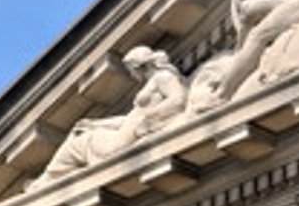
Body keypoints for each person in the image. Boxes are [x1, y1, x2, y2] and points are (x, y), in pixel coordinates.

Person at [26, 47, 186, 190]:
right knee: (83, 130)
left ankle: (47, 179)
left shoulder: (163, 77)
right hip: (125, 133)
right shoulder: (152, 83)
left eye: (130, 70)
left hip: (121, 142)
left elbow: (178, 99)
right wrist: (96, 124)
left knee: (79, 139)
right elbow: (129, 119)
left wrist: (148, 117)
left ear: (139, 67)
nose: (131, 74)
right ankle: (48, 178)